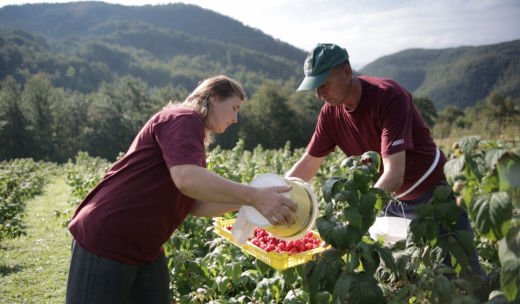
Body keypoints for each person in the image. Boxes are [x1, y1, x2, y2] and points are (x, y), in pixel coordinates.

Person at [65, 75, 298, 303]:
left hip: (145, 246)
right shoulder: (183, 117)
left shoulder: (190, 131)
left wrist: (250, 201)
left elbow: (194, 204)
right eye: (234, 107)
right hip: (109, 236)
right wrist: (254, 196)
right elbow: (187, 179)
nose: (236, 118)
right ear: (214, 97)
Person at [285, 43, 486, 278]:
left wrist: (355, 221)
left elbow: (394, 173)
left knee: (462, 275)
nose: (319, 94)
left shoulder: (389, 96)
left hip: (433, 195)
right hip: (387, 199)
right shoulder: (329, 114)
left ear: (347, 72)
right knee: (392, 276)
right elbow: (309, 163)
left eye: (324, 85)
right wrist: (273, 195)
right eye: (315, 87)